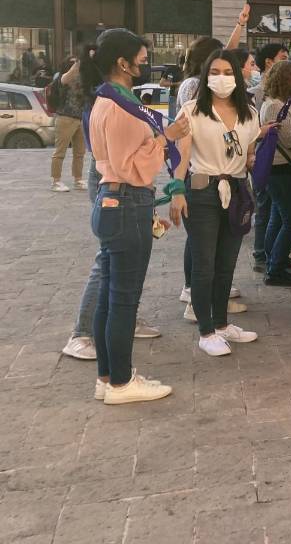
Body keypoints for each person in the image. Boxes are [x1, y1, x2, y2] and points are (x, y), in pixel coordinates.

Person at [81, 28, 189, 404]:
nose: (145, 65)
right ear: (122, 63)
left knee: (111, 298)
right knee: (123, 300)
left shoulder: (106, 101)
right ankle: (122, 383)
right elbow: (133, 168)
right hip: (127, 201)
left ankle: (108, 377)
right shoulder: (120, 108)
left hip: (112, 203)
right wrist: (165, 138)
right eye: (141, 60)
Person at [174, 50, 260, 355]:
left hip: (237, 191)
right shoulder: (191, 110)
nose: (221, 78)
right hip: (201, 191)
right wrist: (176, 191)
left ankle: (222, 324)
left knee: (227, 263)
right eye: (215, 72)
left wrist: (253, 159)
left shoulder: (249, 112)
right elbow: (181, 158)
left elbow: (247, 153)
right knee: (204, 264)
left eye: (227, 72)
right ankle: (206, 330)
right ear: (206, 75)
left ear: (237, 75)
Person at [257, 60, 291, 285]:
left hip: (279, 169)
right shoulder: (276, 106)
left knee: (278, 217)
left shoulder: (281, 103)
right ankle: (275, 269)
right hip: (280, 170)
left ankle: (275, 259)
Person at [49, 54, 87, 192]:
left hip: (80, 118)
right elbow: (66, 77)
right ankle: (56, 181)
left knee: (80, 153)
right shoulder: (62, 77)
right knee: (60, 152)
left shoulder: (82, 78)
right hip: (65, 117)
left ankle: (78, 179)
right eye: (71, 63)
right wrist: (77, 63)